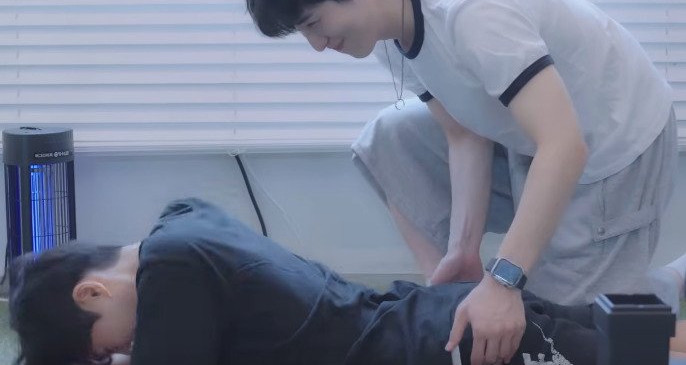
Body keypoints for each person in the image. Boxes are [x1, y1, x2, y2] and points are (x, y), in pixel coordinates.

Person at [238, 0, 678, 364]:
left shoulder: (473, 11)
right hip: (537, 139)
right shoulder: (391, 37)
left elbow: (565, 146)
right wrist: (464, 251)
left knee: (556, 330)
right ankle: (612, 282)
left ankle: (652, 288)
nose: (317, 45)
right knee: (389, 136)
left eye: (313, 23)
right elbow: (464, 134)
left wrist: (504, 281)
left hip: (613, 142)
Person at [8, 198, 686, 365]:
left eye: (108, 347)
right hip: (446, 314)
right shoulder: (184, 220)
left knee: (634, 346)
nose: (125, 352)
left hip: (453, 349)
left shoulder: (172, 274)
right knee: (646, 336)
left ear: (92, 292)